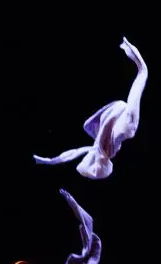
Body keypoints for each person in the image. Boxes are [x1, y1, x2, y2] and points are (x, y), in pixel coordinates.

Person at [32, 37, 148, 179]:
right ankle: (128, 48)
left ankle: (127, 47)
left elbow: (72, 153)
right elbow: (74, 153)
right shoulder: (104, 150)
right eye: (97, 168)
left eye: (93, 167)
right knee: (143, 73)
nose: (94, 165)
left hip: (121, 124)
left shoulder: (95, 149)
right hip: (126, 126)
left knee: (143, 73)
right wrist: (49, 161)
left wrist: (49, 161)